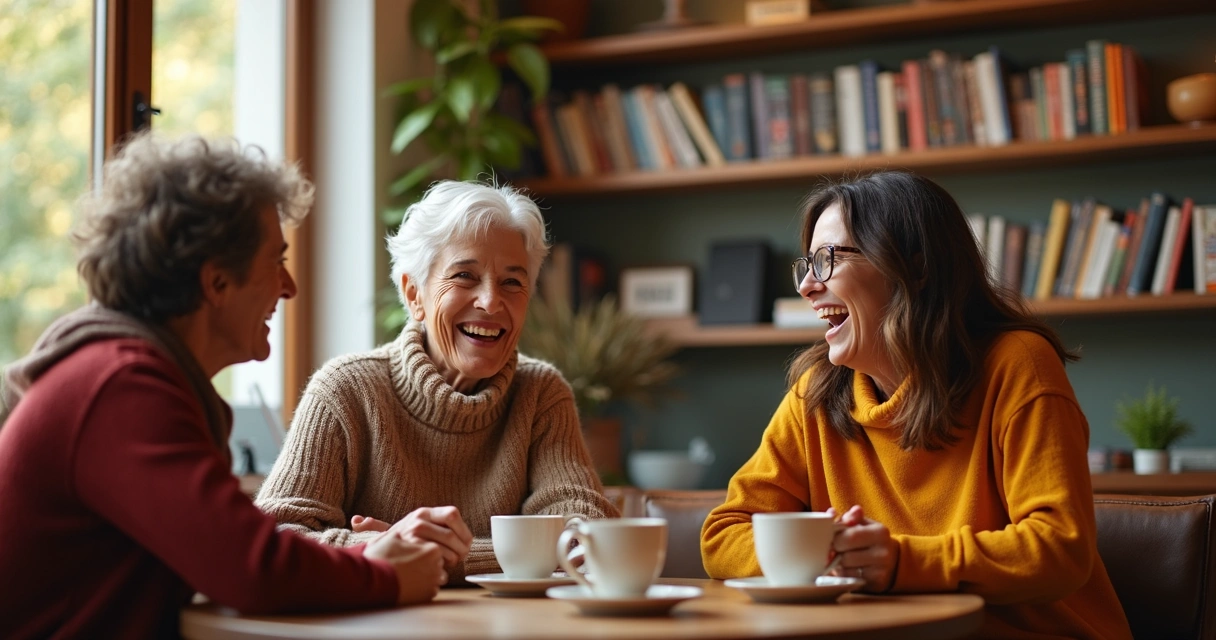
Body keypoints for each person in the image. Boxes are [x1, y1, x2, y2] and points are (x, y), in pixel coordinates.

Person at [0, 134, 447, 639]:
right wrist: (384, 575)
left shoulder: (119, 374)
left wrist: (365, 556)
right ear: (216, 284)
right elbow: (250, 568)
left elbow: (227, 551)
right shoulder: (121, 387)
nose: (290, 287)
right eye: (276, 261)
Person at [701, 172, 1132, 639]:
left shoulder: (1017, 363)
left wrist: (900, 563)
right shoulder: (818, 393)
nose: (807, 285)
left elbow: (1059, 550)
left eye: (827, 260)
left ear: (916, 268)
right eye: (806, 264)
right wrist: (826, 550)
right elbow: (723, 534)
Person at [255, 179, 617, 581]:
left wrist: (429, 555)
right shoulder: (345, 391)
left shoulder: (540, 394)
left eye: (512, 282)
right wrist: (371, 548)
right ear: (414, 294)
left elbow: (587, 536)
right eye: (464, 275)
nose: (491, 301)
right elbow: (273, 539)